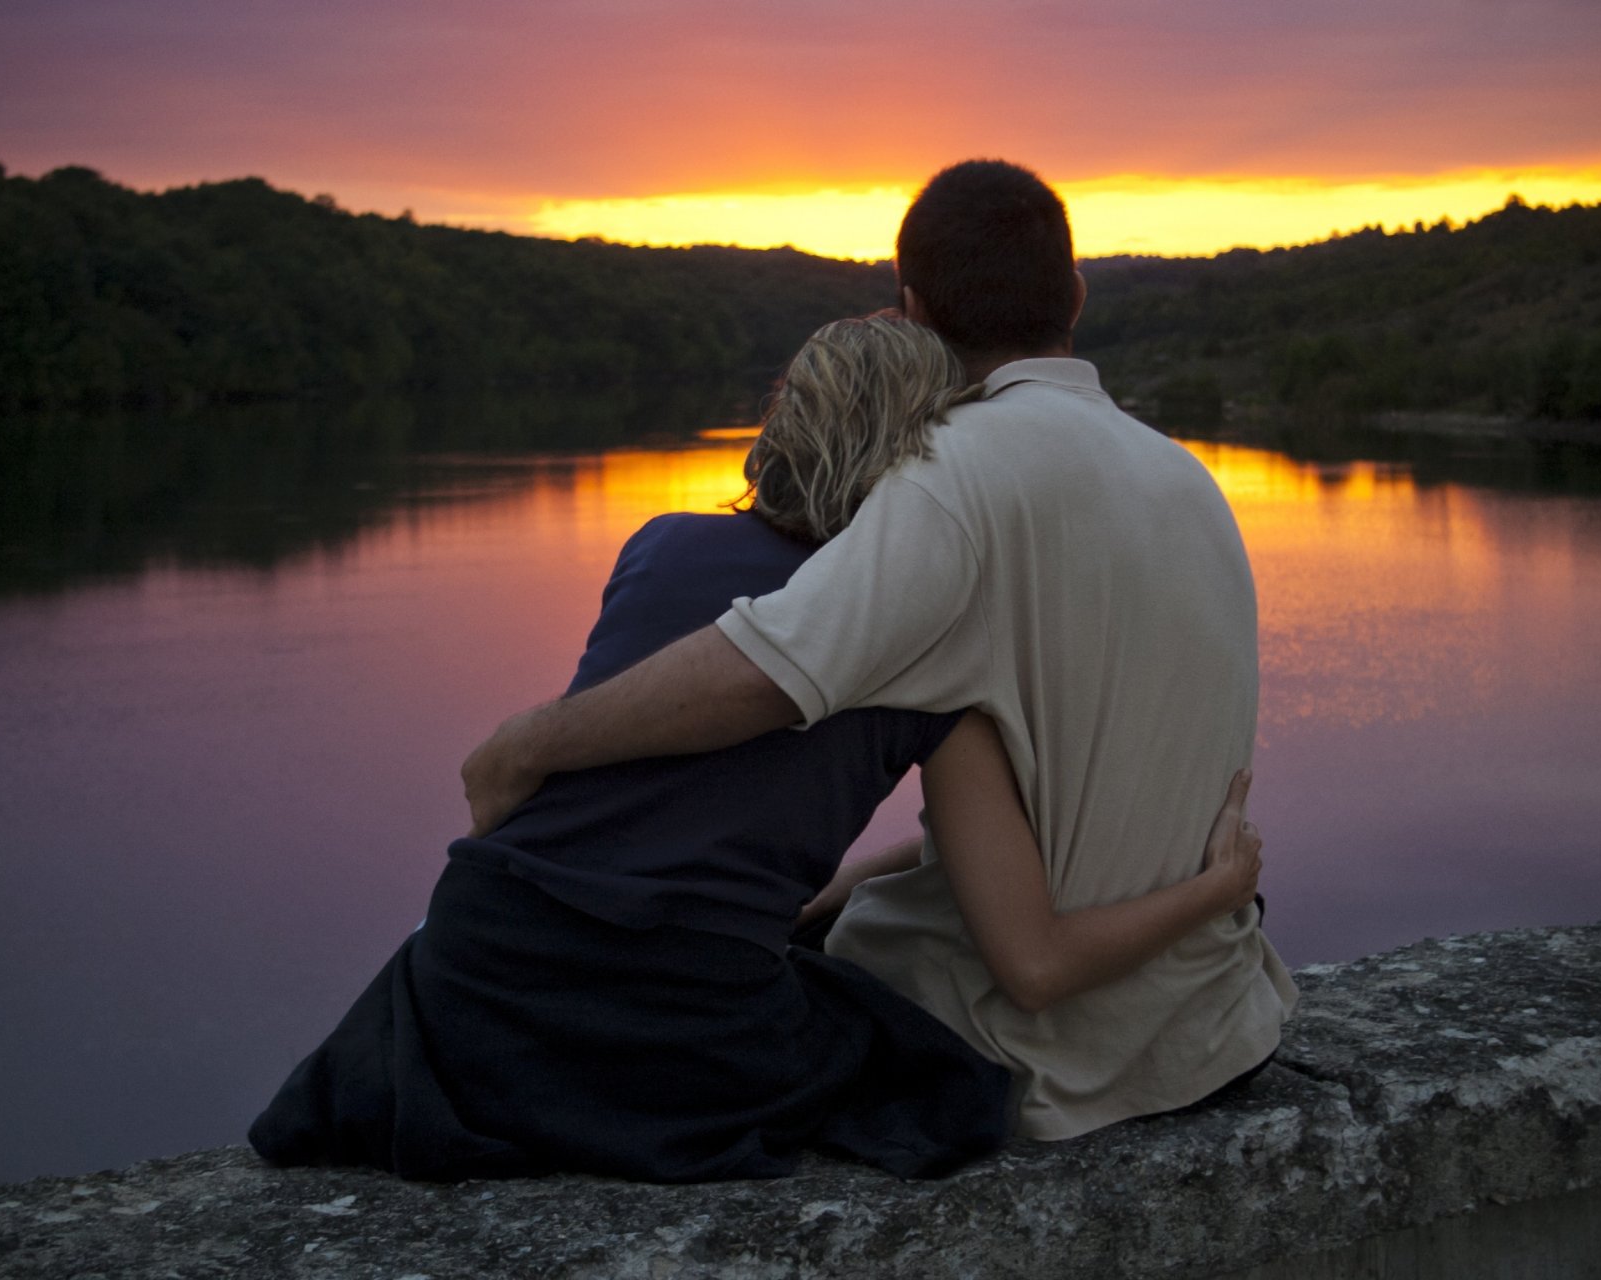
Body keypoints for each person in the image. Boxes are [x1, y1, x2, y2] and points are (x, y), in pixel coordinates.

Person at [250, 314, 1266, 1183]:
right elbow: (1032, 957)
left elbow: (669, 807)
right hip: (673, 1015)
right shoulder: (926, 641)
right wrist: (1215, 886)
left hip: (475, 964)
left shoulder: (657, 543)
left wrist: (815, 898)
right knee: (936, 1075)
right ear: (928, 454)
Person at [460, 160, 1298, 1140]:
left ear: (909, 308)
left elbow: (764, 668)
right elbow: (1045, 815)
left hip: (1046, 1056)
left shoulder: (952, 478)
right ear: (1074, 294)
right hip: (1214, 1026)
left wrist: (529, 744)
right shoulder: (1188, 480)